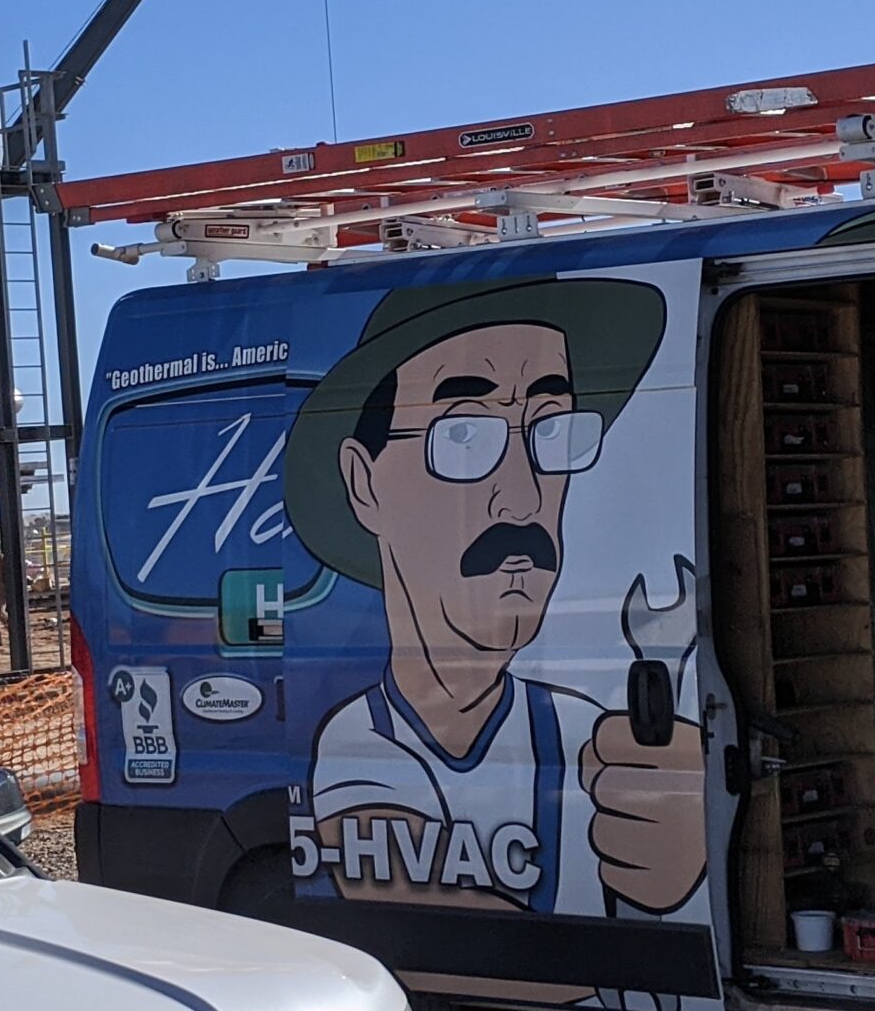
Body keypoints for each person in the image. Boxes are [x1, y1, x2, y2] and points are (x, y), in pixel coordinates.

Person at [281, 277, 706, 921]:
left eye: (550, 433)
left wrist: (691, 852)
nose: (523, 498)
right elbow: (448, 933)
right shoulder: (359, 743)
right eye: (463, 437)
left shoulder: (583, 729)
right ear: (364, 485)